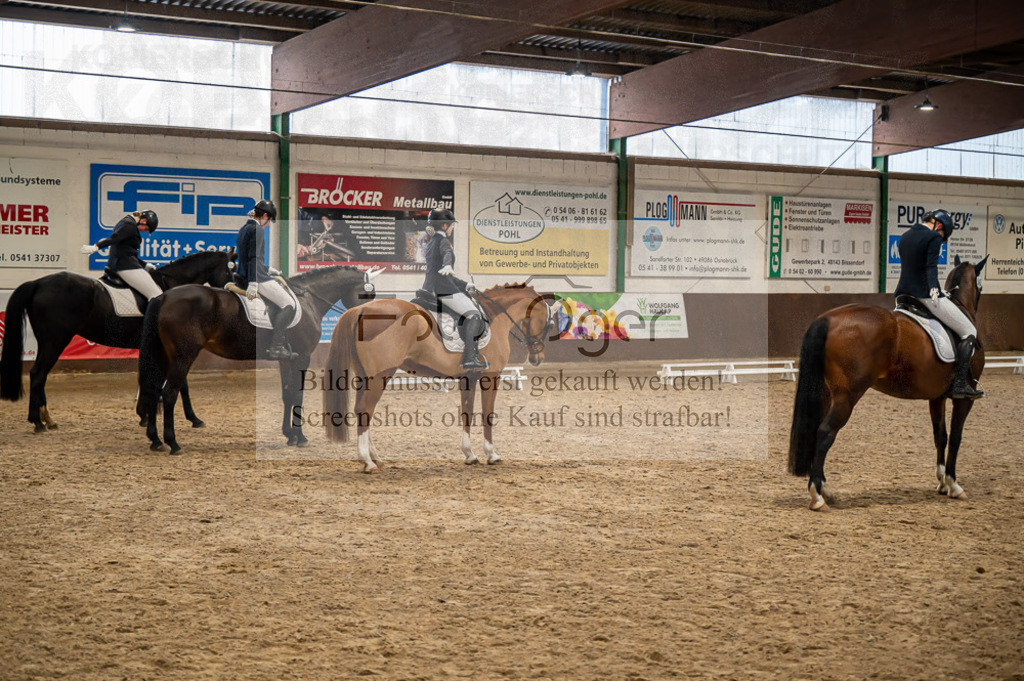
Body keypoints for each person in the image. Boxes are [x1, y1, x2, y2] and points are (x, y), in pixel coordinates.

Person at [894, 208, 983, 399]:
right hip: (925, 296)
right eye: (943, 236)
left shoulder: (905, 236)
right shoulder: (933, 238)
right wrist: (934, 288)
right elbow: (930, 267)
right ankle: (959, 384)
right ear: (939, 226)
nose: (941, 239)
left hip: (902, 296)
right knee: (970, 331)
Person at [421, 208, 487, 371]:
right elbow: (447, 254)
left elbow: (443, 274)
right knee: (475, 315)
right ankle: (470, 358)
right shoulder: (443, 242)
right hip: (445, 291)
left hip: (432, 287)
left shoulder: (430, 241)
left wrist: (465, 285)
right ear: (444, 226)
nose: (452, 228)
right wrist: (448, 264)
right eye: (451, 225)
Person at [236, 200, 298, 361]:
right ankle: (276, 347)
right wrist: (254, 282)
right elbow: (253, 257)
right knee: (289, 304)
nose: (269, 224)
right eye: (269, 220)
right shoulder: (257, 230)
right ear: (264, 216)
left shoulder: (244, 228)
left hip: (244, 274)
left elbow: (246, 257)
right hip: (256, 278)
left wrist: (269, 270)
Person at [80, 210, 162, 300]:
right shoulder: (130, 225)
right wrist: (96, 247)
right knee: (157, 296)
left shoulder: (127, 222)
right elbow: (115, 238)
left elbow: (126, 252)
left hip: (123, 263)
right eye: (146, 229)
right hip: (125, 266)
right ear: (144, 221)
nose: (143, 231)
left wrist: (145, 264)